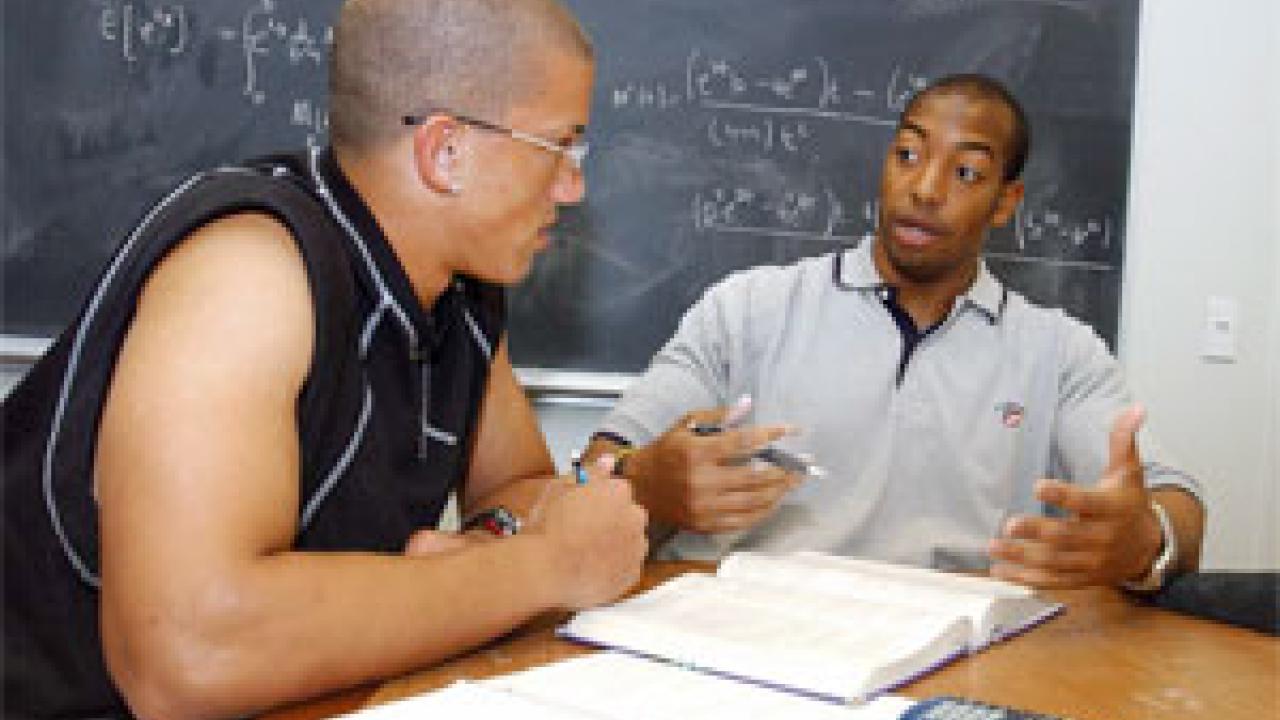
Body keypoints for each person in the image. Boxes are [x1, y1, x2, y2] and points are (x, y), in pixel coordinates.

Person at [2, 0, 648, 717]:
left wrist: (493, 545)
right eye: (562, 147)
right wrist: (540, 569)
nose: (573, 188)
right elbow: (185, 655)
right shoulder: (251, 273)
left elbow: (518, 489)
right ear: (447, 151)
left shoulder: (460, 291)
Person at [586, 74, 1204, 591]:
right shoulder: (746, 310)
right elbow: (594, 471)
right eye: (907, 155)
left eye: (965, 173)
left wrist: (1145, 542)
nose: (925, 189)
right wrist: (643, 483)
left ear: (1006, 201)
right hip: (747, 638)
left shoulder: (1060, 354)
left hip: (958, 655)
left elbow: (1179, 508)